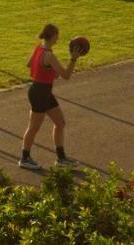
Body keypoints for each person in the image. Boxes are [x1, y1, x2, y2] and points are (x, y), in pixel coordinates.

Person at [19, 23, 82, 170]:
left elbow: (30, 64)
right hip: (40, 93)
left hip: (42, 91)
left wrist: (49, 72)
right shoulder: (49, 55)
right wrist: (73, 59)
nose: (58, 37)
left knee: (60, 122)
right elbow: (66, 75)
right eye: (57, 35)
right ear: (53, 36)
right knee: (33, 127)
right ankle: (24, 158)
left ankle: (61, 158)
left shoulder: (38, 49)